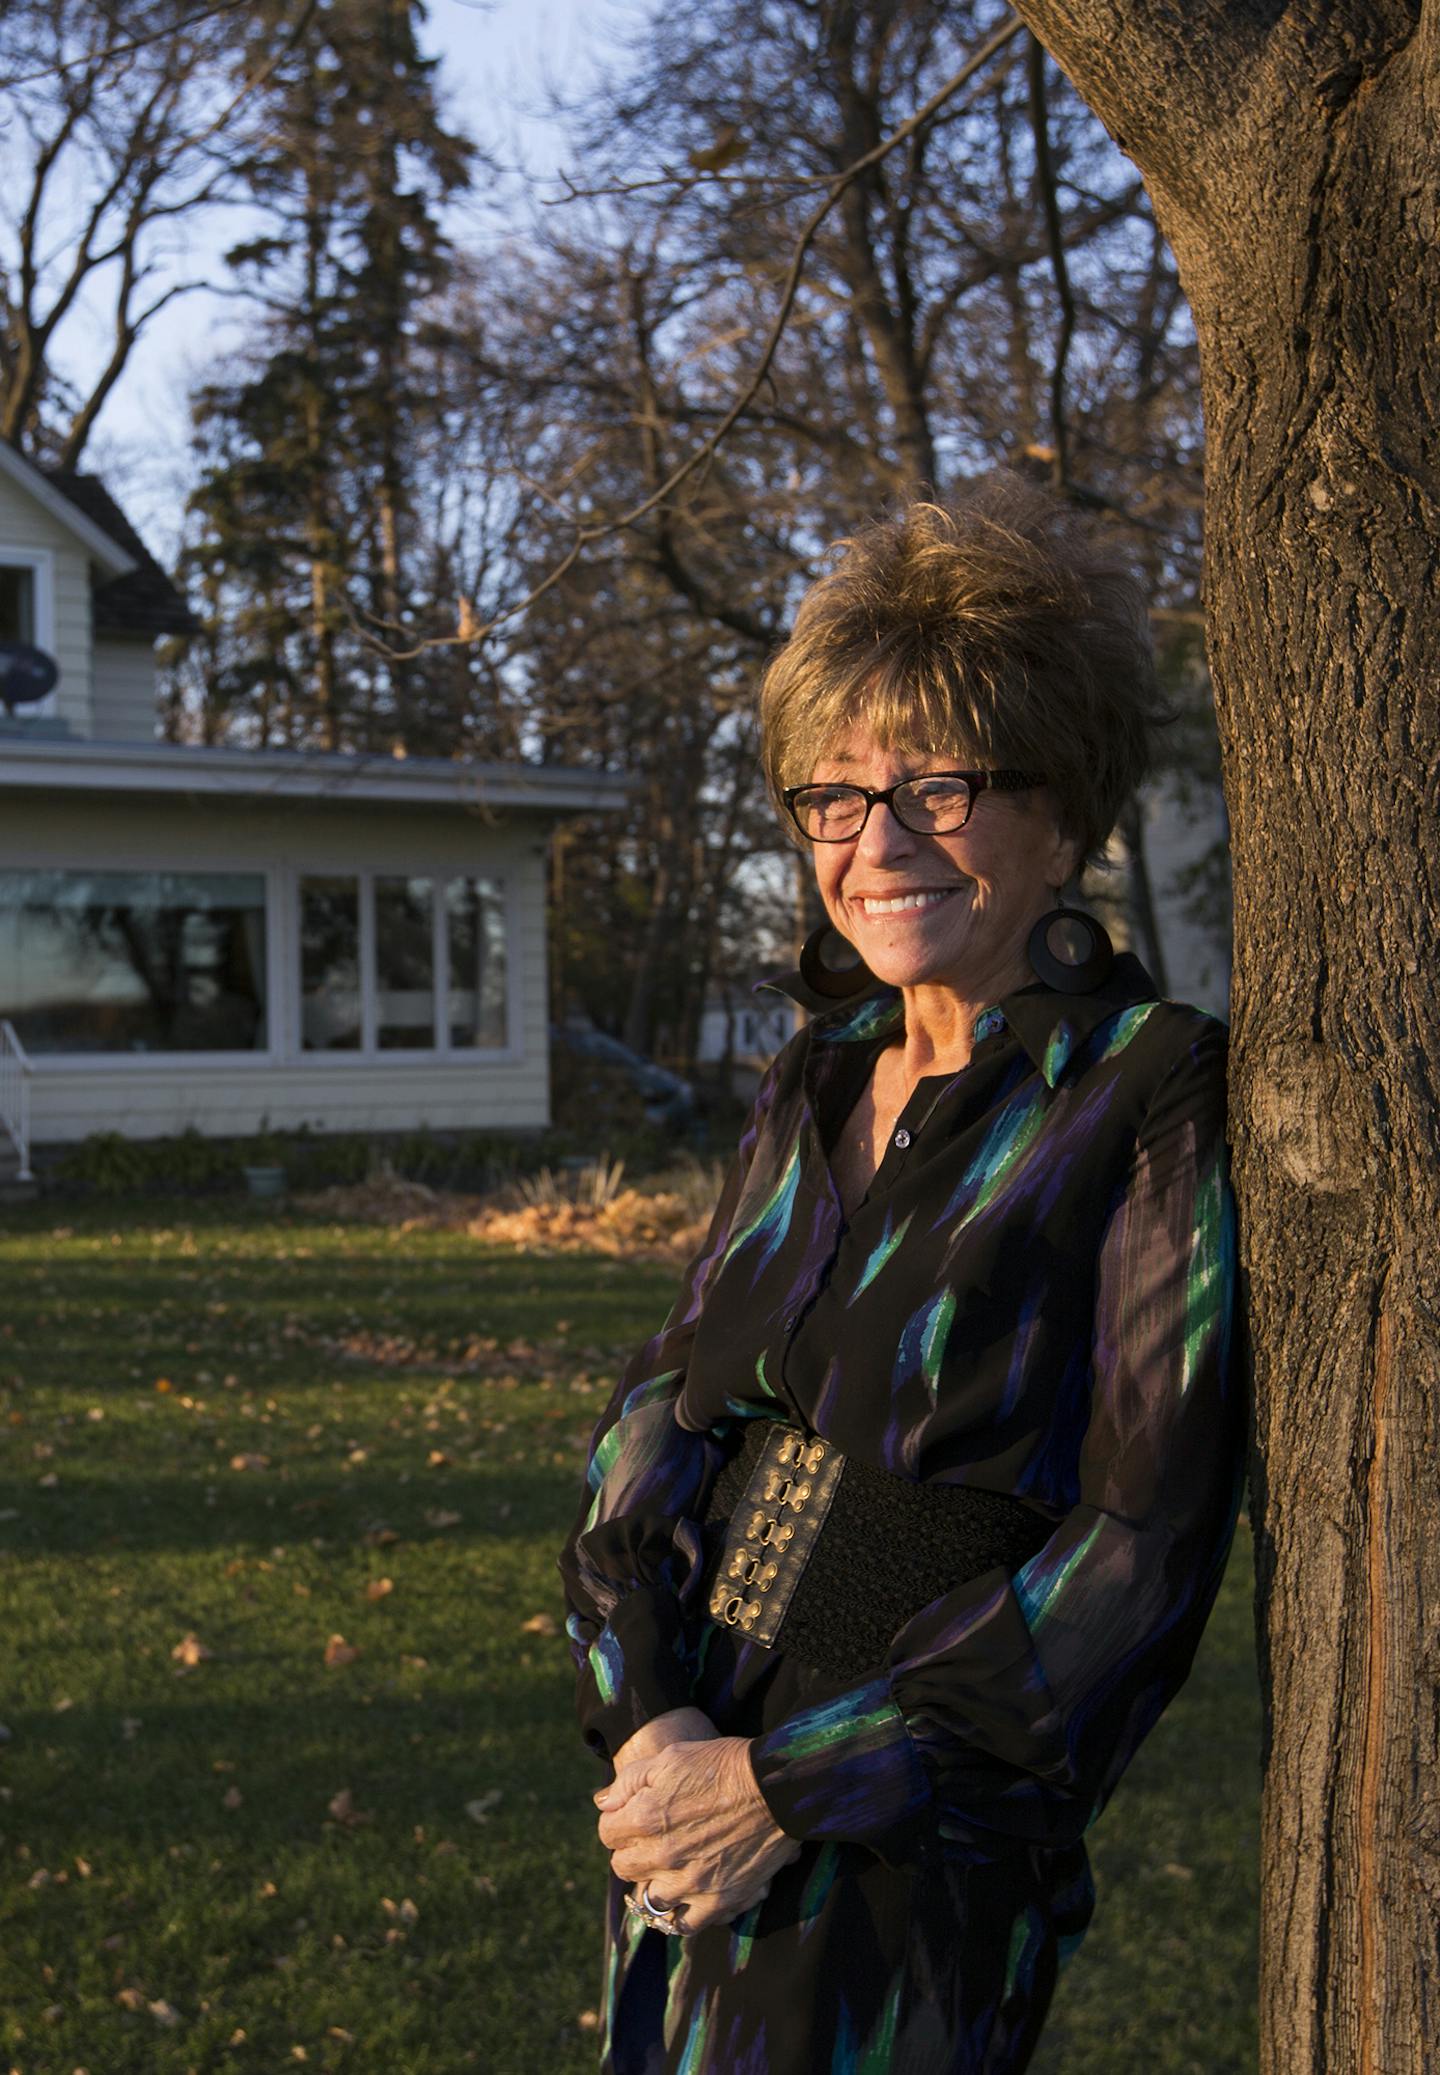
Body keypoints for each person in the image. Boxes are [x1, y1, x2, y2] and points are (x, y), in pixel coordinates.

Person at [558, 477, 1244, 2075]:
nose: (877, 843)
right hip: (687, 1783)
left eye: (937, 784)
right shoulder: (814, 1077)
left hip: (910, 1835)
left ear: (1064, 809)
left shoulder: (1143, 1091)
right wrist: (649, 1710)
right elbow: (655, 1421)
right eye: (833, 796)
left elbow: (1141, 1557)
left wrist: (788, 1788)